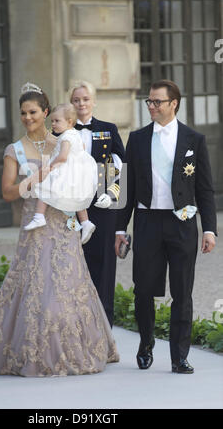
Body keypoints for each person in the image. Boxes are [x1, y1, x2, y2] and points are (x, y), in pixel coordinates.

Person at [0, 82, 119, 377]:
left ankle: (77, 348)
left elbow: (86, 175)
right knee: (38, 289)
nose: (27, 117)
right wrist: (38, 177)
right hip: (35, 228)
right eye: (23, 113)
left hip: (64, 226)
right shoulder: (15, 149)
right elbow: (8, 193)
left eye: (33, 112)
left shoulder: (64, 142)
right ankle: (33, 352)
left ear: (46, 113)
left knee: (69, 286)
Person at [115, 79, 217, 374]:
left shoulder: (193, 139)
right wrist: (120, 229)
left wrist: (209, 228)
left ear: (173, 104)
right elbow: (128, 187)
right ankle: (146, 343)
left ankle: (179, 356)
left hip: (182, 223)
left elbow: (205, 189)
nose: (151, 106)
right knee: (143, 289)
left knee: (182, 291)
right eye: (149, 101)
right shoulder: (137, 138)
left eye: (157, 101)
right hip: (147, 222)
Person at [69, 81, 125, 328]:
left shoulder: (109, 129)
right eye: (76, 100)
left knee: (104, 265)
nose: (81, 104)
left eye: (85, 99)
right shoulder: (62, 130)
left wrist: (112, 195)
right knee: (74, 263)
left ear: (93, 101)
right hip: (71, 206)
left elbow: (123, 165)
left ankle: (104, 328)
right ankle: (76, 325)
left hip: (103, 204)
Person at [24, 103, 97, 245]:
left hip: (66, 169)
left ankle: (39, 216)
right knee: (77, 197)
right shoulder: (74, 134)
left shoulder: (66, 137)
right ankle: (86, 222)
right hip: (78, 172)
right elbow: (81, 148)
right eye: (52, 121)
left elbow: (63, 157)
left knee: (45, 185)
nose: (53, 124)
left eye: (57, 121)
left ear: (69, 122)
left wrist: (51, 167)